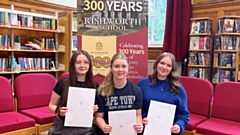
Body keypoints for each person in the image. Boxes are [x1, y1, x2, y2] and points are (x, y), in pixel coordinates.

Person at [137, 52, 189, 135]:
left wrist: (179, 125)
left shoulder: (178, 89)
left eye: (169, 65)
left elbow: (183, 115)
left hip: (168, 131)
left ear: (172, 69)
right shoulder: (142, 84)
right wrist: (142, 118)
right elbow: (137, 108)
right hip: (146, 129)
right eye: (162, 63)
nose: (164, 67)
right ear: (156, 64)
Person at [48, 50, 99, 135]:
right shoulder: (63, 83)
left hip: (85, 128)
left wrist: (94, 110)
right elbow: (51, 105)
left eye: (86, 62)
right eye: (78, 62)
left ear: (90, 65)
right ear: (73, 65)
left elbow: (98, 111)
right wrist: (59, 111)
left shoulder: (95, 85)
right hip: (63, 127)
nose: (82, 65)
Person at [95, 53, 143, 135]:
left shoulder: (136, 90)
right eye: (116, 66)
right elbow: (99, 117)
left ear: (128, 68)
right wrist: (104, 126)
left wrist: (139, 124)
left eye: (124, 66)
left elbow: (138, 114)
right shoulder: (102, 91)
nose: (120, 70)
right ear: (111, 68)